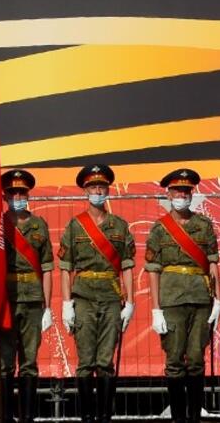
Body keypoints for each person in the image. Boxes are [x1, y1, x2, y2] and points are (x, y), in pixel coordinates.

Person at [58, 164, 136, 423]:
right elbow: (66, 267)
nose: (98, 191)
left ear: (108, 191)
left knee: (105, 361)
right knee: (85, 361)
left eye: (102, 187)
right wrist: (66, 303)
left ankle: (104, 415)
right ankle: (86, 416)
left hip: (112, 296)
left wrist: (131, 302)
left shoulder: (119, 226)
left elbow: (126, 266)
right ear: (85, 191)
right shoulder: (74, 226)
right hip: (83, 297)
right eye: (93, 187)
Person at [144, 168, 220, 423]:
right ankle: (178, 418)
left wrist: (218, 299)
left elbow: (212, 264)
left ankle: (194, 416)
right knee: (175, 359)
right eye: (177, 191)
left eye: (186, 191)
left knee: (197, 359)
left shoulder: (204, 225)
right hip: (172, 299)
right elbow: (153, 270)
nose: (182, 195)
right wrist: (155, 309)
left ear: (192, 194)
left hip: (200, 298)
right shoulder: (159, 229)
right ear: (168, 194)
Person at [0, 169, 54, 423]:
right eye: (12, 192)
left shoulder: (39, 225)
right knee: (5, 362)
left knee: (29, 362)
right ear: (4, 195)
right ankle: (6, 416)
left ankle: (27, 416)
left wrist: (48, 307)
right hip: (6, 300)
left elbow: (48, 267)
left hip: (31, 299)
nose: (17, 196)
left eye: (22, 192)